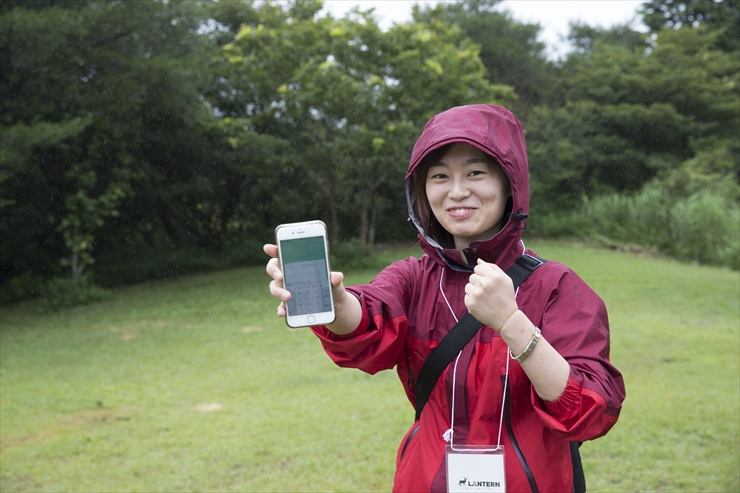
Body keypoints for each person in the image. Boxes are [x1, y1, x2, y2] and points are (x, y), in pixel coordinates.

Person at [264, 104, 626, 492]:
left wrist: (511, 322)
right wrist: (334, 304)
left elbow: (589, 411)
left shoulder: (557, 286)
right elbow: (369, 320)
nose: (456, 191)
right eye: (439, 176)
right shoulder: (414, 278)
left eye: (475, 172)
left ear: (510, 184)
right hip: (427, 480)